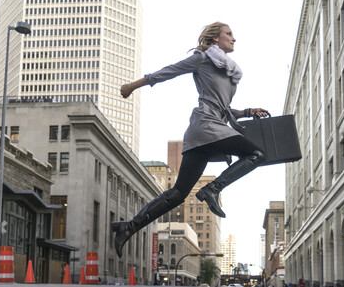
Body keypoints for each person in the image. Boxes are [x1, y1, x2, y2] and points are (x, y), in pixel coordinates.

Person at [112, 22, 269, 258]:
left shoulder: (228, 70)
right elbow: (169, 71)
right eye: (229, 34)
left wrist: (247, 111)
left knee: (177, 194)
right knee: (256, 154)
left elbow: (224, 108)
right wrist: (132, 86)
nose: (233, 38)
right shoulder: (202, 59)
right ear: (215, 39)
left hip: (208, 132)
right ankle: (212, 189)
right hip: (206, 127)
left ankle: (129, 227)